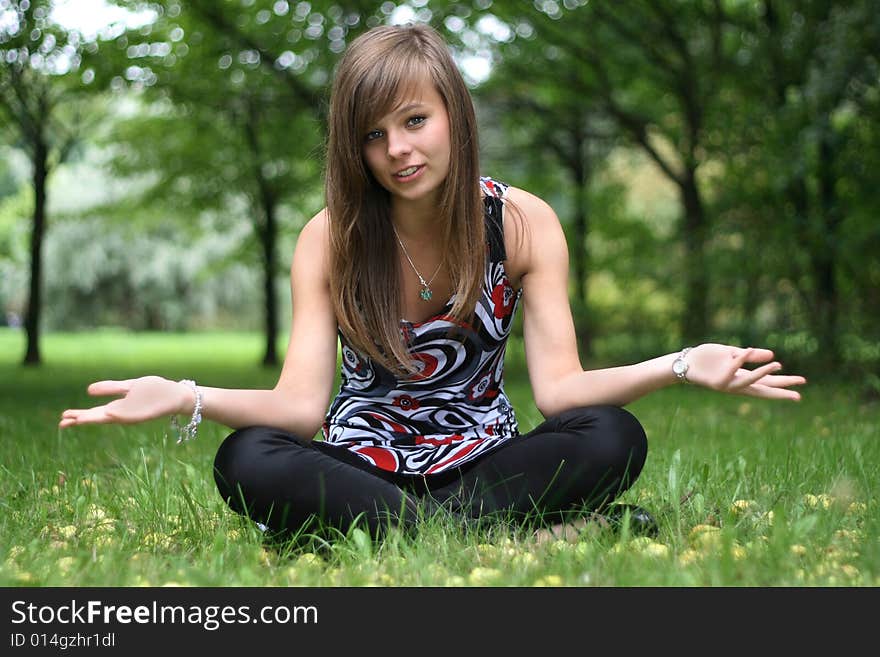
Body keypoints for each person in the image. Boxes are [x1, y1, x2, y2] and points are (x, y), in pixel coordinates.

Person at [59, 24, 805, 542]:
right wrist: (186, 395)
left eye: (414, 120)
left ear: (454, 113)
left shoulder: (521, 223)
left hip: (484, 463)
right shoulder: (330, 237)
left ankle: (374, 537)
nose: (397, 151)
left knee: (613, 436)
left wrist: (679, 365)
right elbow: (296, 407)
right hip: (361, 464)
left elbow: (561, 392)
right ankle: (521, 539)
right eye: (374, 134)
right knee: (246, 458)